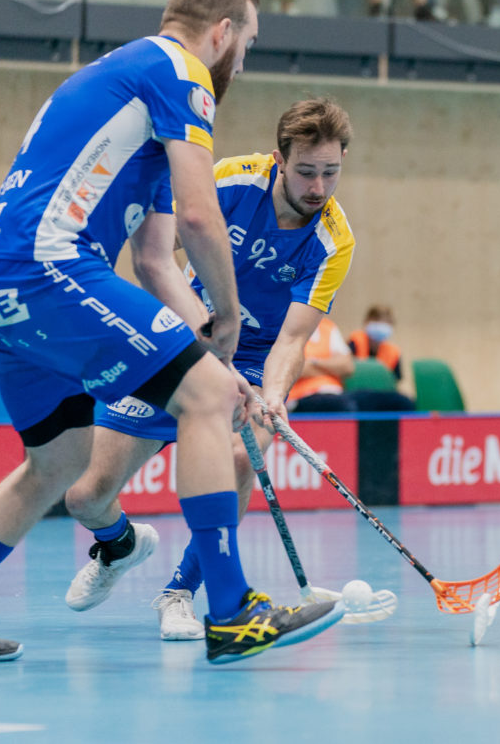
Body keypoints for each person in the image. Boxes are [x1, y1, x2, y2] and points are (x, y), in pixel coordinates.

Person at [0, 0, 342, 665]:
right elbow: (200, 218)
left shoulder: (132, 88)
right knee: (208, 397)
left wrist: (216, 349)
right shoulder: (181, 72)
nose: (242, 61)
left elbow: (157, 260)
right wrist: (228, 316)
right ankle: (234, 610)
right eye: (246, 43)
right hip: (47, 264)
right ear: (221, 33)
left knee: (57, 464)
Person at [63, 97, 356, 640]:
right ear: (278, 160)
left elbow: (292, 339)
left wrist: (272, 397)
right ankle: (119, 543)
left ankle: (179, 592)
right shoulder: (228, 183)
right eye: (306, 172)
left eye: (331, 173)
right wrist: (197, 328)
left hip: (253, 358)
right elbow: (156, 252)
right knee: (85, 495)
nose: (318, 187)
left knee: (243, 461)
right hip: (179, 336)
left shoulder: (333, 242)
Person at [347, 304, 416, 411]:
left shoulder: (393, 352)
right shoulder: (355, 341)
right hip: (357, 392)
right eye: (377, 321)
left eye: (386, 323)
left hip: (382, 393)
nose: (381, 326)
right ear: (367, 322)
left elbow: (396, 382)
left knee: (406, 402)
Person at [288, 317, 357, 411]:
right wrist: (332, 369)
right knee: (343, 405)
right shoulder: (286, 327)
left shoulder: (327, 326)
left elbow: (347, 367)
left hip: (336, 393)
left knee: (374, 401)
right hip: (301, 397)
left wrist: (314, 362)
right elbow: (295, 370)